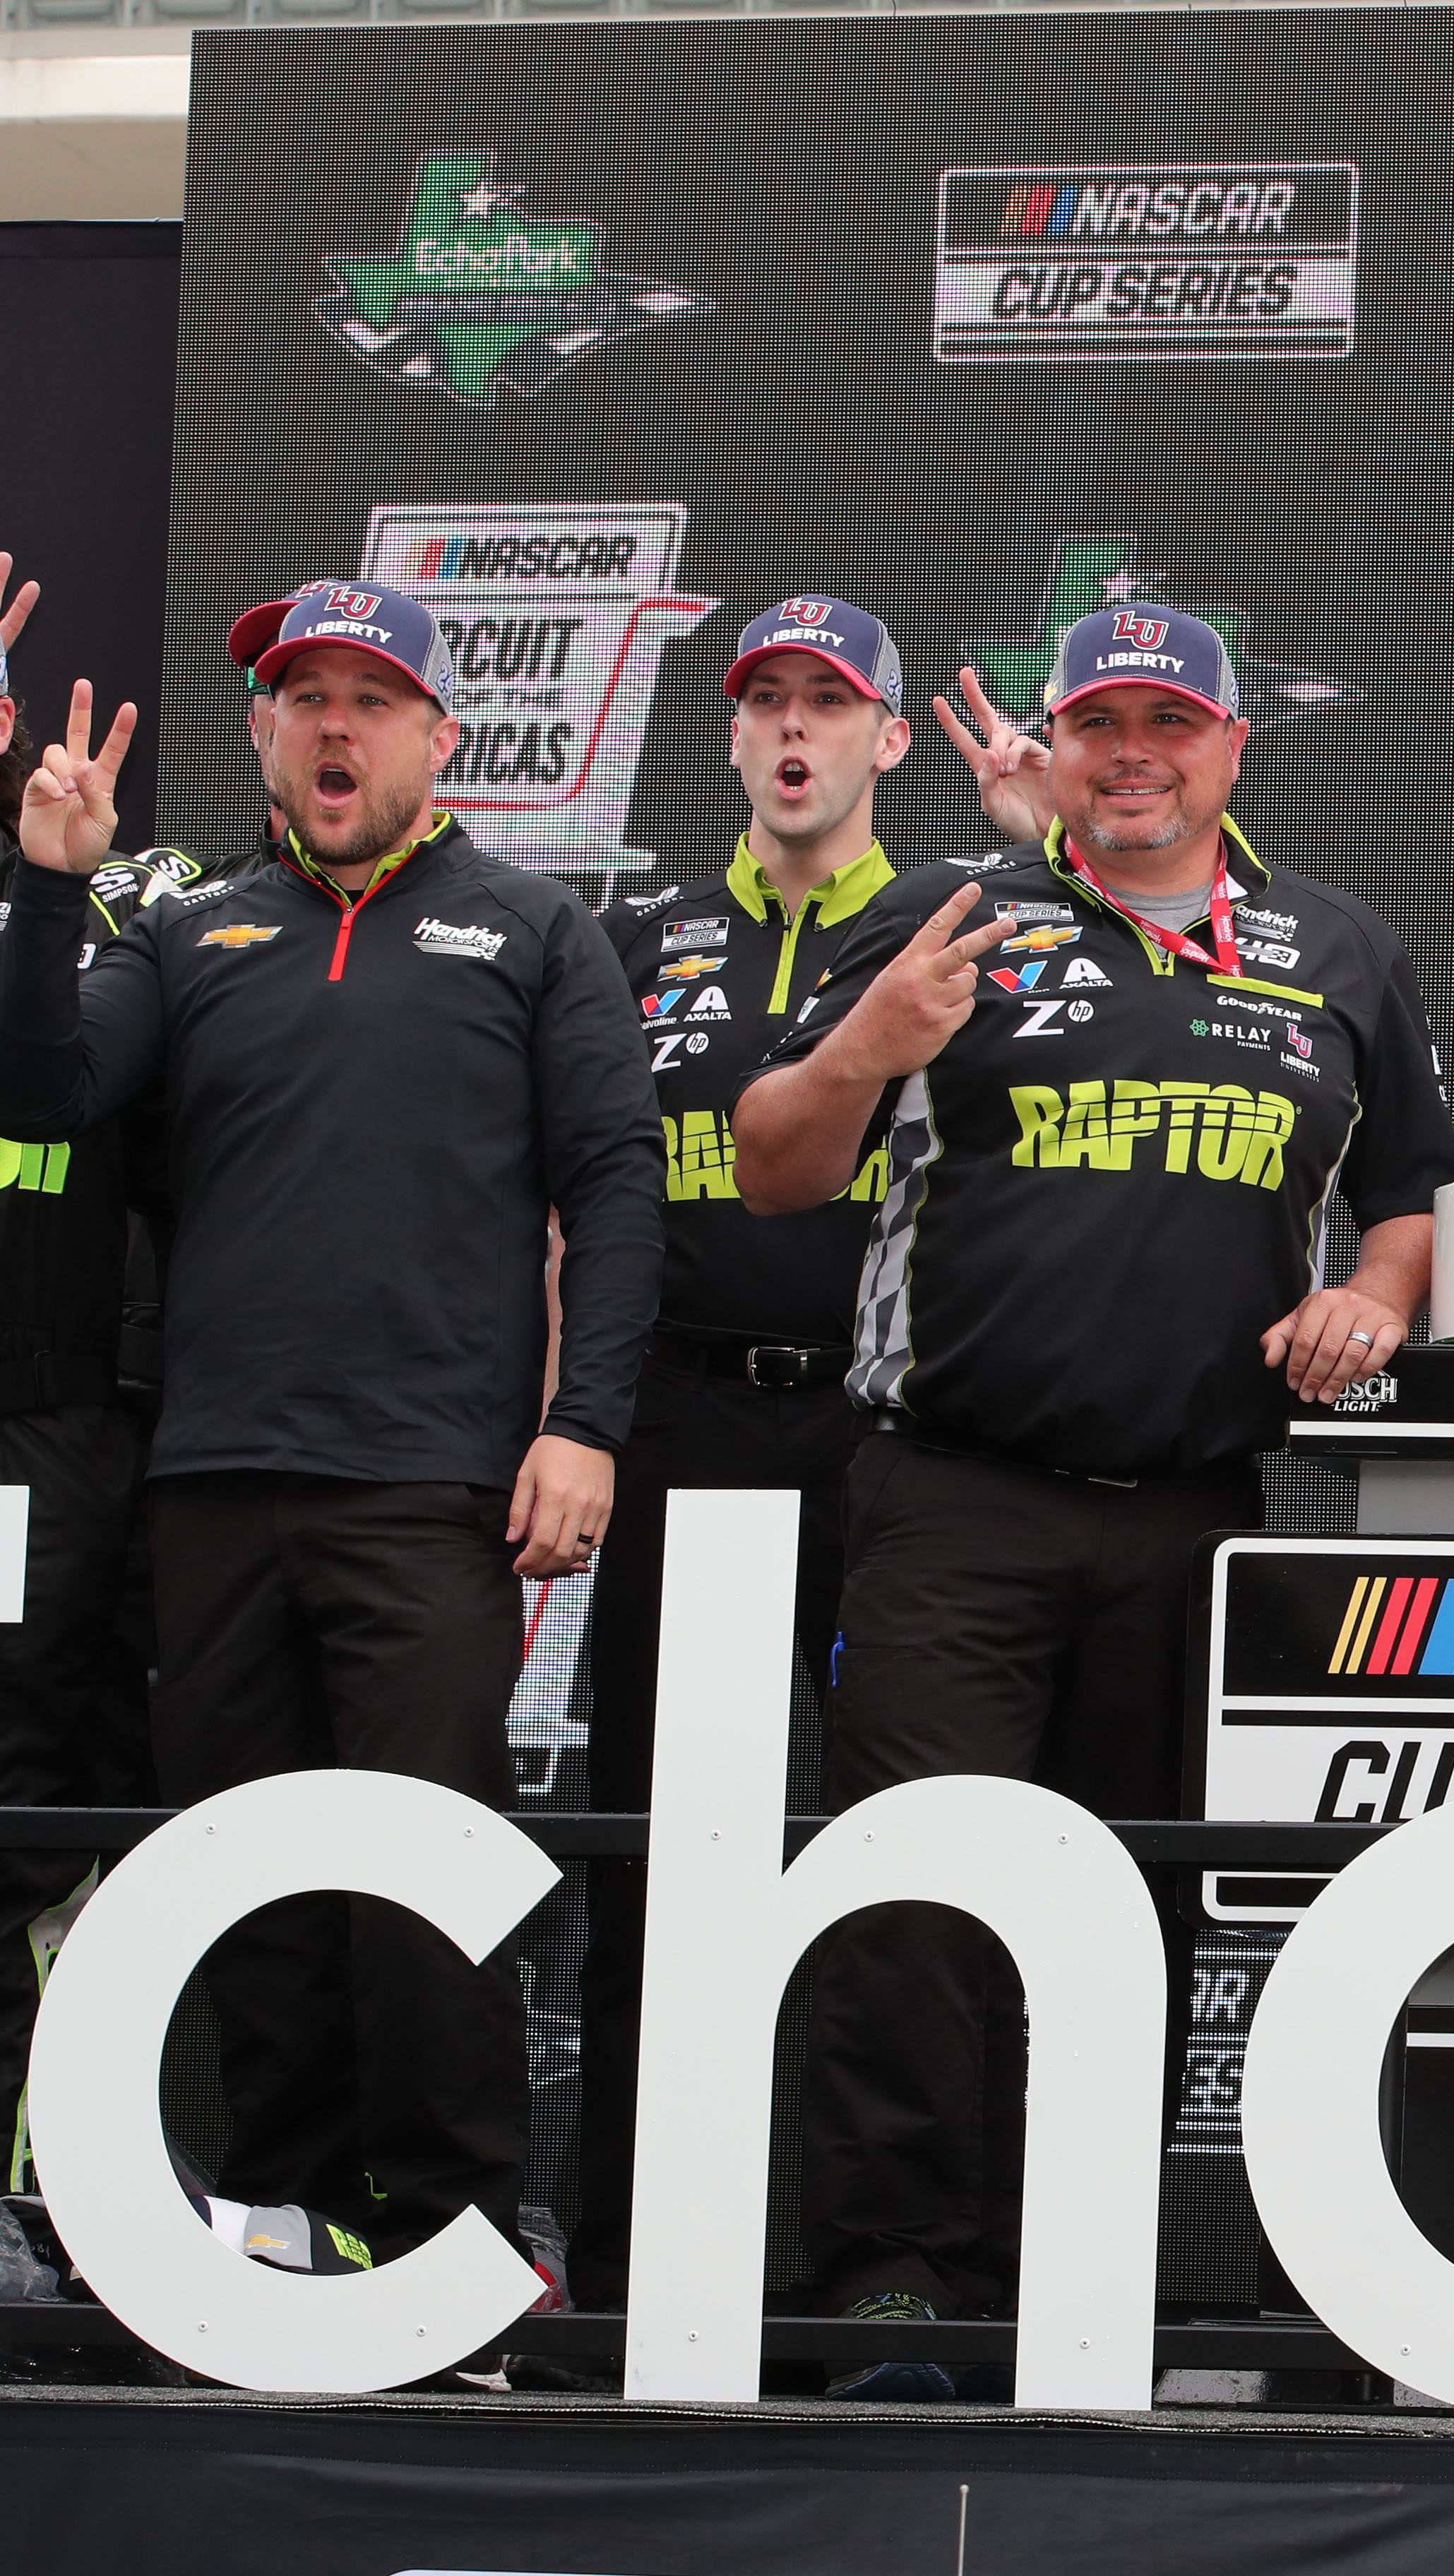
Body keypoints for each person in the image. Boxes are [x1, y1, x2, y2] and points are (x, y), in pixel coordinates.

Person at [729, 600, 1454, 2393]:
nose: (1137, 755)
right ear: (1051, 748)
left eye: (1173, 724)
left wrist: (1373, 1296)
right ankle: (895, 2281)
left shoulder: (1337, 946)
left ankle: (1071, 2282)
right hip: (951, 1495)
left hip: (1196, 1509)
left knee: (1130, 1912)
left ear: (1234, 748)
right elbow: (770, 1166)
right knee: (913, 1903)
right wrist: (863, 1046)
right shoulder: (951, 915)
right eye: (1102, 724)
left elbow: (1417, 1193)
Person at [0, 582, 660, 2276]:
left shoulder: (530, 930)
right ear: (262, 734)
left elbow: (615, 1183)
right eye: (302, 697)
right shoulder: (187, 930)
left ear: (444, 736)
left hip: (429, 1488)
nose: (334, 726)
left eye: (373, 698)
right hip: (209, 1483)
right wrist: (47, 891)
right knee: (243, 1875)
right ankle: (294, 2217)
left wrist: (581, 1425)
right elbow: (43, 1099)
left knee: (428, 1874)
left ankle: (454, 2232)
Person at [561, 595, 914, 2321]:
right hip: (683, 1426)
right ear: (728, 736)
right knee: (657, 1844)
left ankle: (874, 2280)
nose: (796, 729)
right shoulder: (636, 937)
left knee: (880, 1849)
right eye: (766, 700)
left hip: (879, 1433)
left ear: (888, 741)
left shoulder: (948, 921)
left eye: (829, 703)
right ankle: (632, 2269)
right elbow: (565, 1204)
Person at [0, 552, 184, 2191]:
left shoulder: (149, 886)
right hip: (7, 1451)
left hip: (128, 1438)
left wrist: (63, 871)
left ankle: (115, 2194)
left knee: (137, 1814)